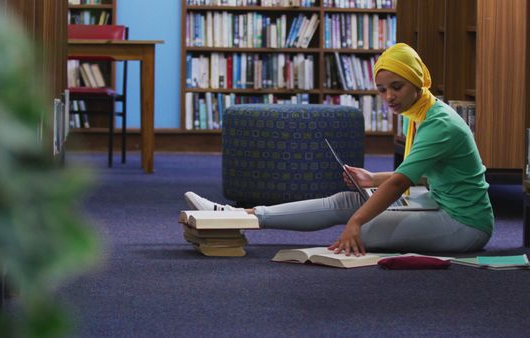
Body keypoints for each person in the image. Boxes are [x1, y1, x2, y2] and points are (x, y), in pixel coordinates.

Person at [184, 43, 494, 256]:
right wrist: (372, 178)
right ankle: (239, 215)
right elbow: (425, 174)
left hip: (464, 224)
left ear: (416, 83)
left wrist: (356, 222)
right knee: (349, 200)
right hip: (440, 202)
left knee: (364, 231)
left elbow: (402, 181)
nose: (388, 97)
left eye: (396, 87)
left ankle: (237, 216)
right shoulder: (420, 113)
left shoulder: (437, 123)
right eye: (382, 90)